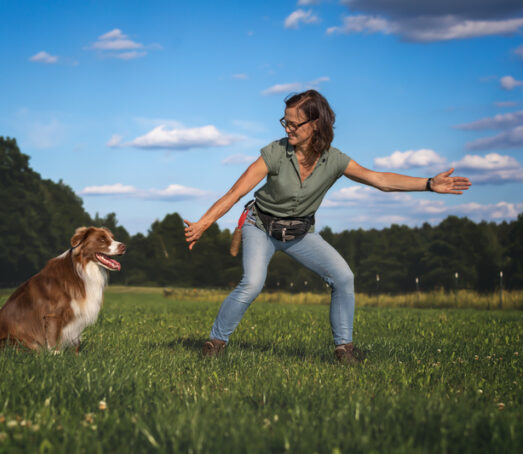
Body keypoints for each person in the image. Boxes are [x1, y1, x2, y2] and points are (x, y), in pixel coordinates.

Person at [183, 90, 471, 364]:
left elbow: (380, 180)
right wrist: (203, 224)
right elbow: (235, 193)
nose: (288, 129)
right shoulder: (274, 153)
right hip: (261, 226)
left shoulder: (334, 160)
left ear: (316, 123)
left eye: (294, 124)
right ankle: (215, 344)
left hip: (299, 234)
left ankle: (344, 350)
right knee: (253, 283)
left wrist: (429, 184)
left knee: (343, 278)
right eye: (285, 122)